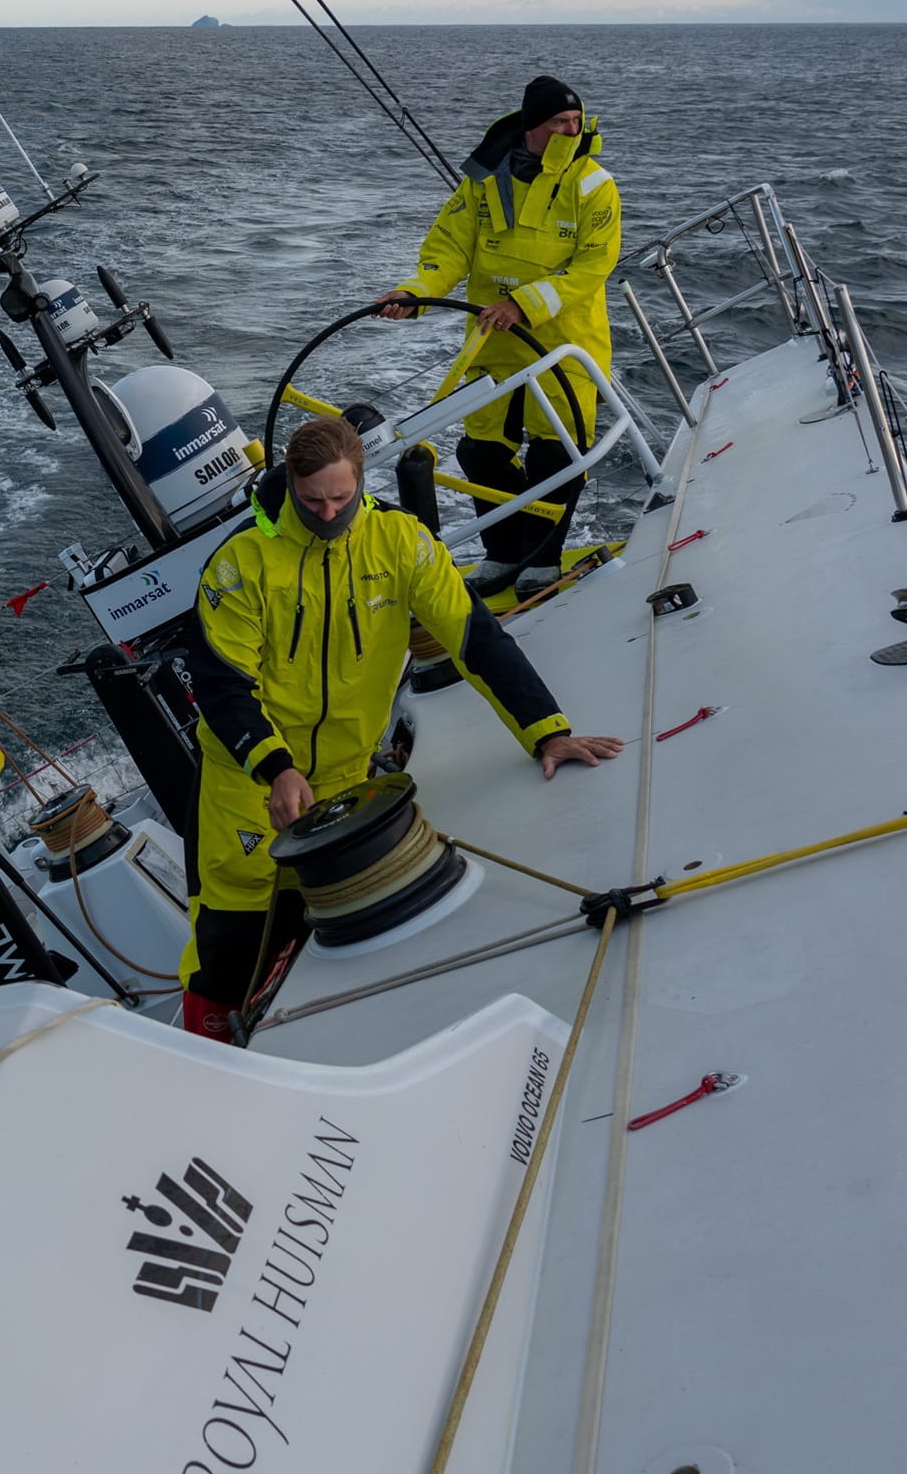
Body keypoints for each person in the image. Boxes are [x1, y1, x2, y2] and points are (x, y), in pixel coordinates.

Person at [179, 414, 624, 1041]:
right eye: (312, 501)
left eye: (341, 498)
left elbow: (475, 638)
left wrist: (547, 731)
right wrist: (275, 768)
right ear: (291, 484)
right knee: (232, 938)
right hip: (247, 782)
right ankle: (208, 1046)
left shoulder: (401, 542)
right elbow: (222, 685)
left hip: (346, 773)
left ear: (362, 481)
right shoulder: (240, 564)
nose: (329, 513)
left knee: (326, 924)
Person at [378, 74, 620, 599]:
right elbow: (449, 249)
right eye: (559, 122)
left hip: (563, 345)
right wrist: (415, 292)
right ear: (532, 126)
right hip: (492, 343)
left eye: (576, 121)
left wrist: (523, 305)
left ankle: (543, 559)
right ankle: (504, 554)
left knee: (555, 453)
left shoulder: (593, 184)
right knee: (481, 452)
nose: (571, 131)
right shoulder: (483, 179)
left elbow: (592, 266)